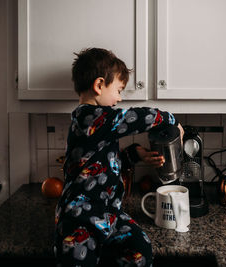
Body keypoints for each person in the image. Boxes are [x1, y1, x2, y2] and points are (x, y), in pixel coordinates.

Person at [53, 47, 184, 267]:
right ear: (99, 85)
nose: (119, 98)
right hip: (79, 219)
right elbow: (135, 118)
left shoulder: (100, 123)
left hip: (109, 213)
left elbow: (102, 162)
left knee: (140, 250)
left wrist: (135, 154)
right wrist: (169, 119)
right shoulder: (89, 118)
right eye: (118, 90)